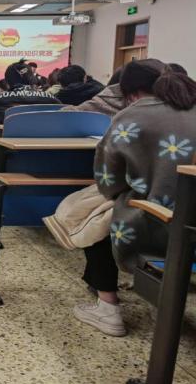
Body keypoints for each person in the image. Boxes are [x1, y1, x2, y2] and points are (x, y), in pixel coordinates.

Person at [74, 59, 196, 336]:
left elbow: (108, 182)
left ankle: (107, 308)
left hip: (163, 226)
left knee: (96, 217)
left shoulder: (133, 116)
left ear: (129, 93)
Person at [0, 60, 60, 129]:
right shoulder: (52, 99)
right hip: (45, 144)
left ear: (8, 80)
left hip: (3, 145)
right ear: (32, 78)